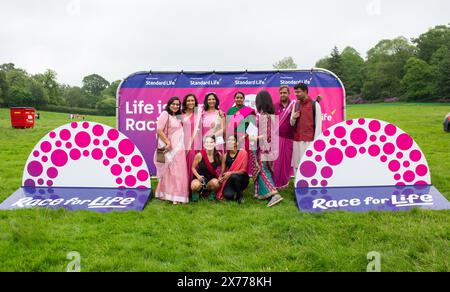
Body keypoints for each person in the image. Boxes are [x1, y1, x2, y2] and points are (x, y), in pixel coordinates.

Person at [249, 90, 283, 207]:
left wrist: (253, 138)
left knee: (263, 170)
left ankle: (274, 194)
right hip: (271, 148)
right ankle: (262, 193)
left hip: (264, 148)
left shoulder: (263, 117)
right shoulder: (271, 116)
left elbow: (264, 136)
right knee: (266, 170)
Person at [154, 97, 189, 205]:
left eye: (178, 104)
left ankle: (177, 195)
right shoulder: (165, 114)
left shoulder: (178, 116)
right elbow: (159, 129)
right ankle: (168, 195)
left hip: (179, 148)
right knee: (170, 172)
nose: (175, 106)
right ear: (169, 104)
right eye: (173, 104)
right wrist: (168, 143)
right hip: (169, 148)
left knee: (178, 172)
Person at [290, 83, 323, 174]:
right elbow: (291, 123)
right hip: (296, 140)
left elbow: (318, 125)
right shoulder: (295, 104)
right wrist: (294, 117)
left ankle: (309, 184)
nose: (296, 94)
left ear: (305, 91)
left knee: (308, 164)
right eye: (295, 92)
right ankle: (298, 185)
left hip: (309, 141)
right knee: (297, 164)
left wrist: (315, 143)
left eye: (298, 92)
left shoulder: (315, 105)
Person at [272, 85, 296, 189]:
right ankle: (276, 182)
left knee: (286, 161)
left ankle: (285, 182)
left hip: (290, 137)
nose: (283, 95)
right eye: (281, 93)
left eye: (285, 93)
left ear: (289, 93)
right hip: (277, 137)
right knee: (277, 161)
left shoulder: (294, 105)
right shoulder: (275, 106)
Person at [218, 135, 249, 204]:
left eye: (232, 140)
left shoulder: (243, 153)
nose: (230, 142)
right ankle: (235, 192)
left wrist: (231, 173)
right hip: (231, 179)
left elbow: (243, 170)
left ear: (236, 143)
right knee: (228, 196)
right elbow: (222, 171)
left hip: (242, 178)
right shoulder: (225, 156)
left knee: (234, 176)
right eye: (228, 140)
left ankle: (240, 196)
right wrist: (220, 177)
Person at [191, 135, 222, 202]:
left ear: (215, 143)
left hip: (210, 180)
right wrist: (198, 176)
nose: (209, 144)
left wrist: (220, 175)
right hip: (200, 179)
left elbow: (222, 167)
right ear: (204, 144)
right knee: (195, 185)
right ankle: (196, 193)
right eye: (207, 142)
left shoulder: (218, 155)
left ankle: (211, 193)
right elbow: (193, 168)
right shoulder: (199, 155)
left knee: (216, 183)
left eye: (211, 142)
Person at [181, 94, 202, 183]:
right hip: (182, 142)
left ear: (195, 102)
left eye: (192, 100)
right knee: (182, 165)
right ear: (185, 102)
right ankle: (183, 187)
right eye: (188, 101)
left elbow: (212, 111)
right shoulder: (180, 114)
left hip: (195, 142)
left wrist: (220, 113)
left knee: (193, 163)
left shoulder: (199, 113)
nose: (190, 102)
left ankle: (193, 187)